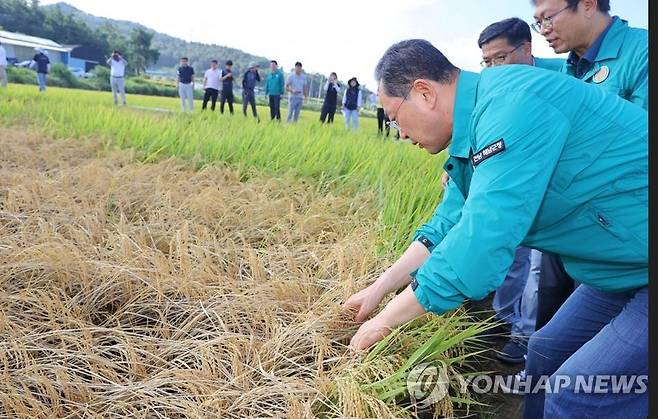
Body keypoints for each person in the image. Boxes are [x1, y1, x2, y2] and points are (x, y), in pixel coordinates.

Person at [345, 39, 646, 419]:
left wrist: (386, 321)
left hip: (642, 257)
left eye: (395, 118)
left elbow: (481, 241)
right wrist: (376, 292)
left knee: (577, 395)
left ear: (424, 93)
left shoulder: (511, 108)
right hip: (622, 265)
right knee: (544, 351)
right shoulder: (474, 130)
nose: (399, 133)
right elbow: (445, 225)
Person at [530, 0, 648, 334]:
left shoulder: (641, 52)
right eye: (537, 22)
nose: (544, 30)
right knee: (549, 315)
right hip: (576, 217)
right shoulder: (572, 69)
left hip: (625, 234)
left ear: (587, 4)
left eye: (548, 18)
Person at [473, 17, 565, 366]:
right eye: (487, 61)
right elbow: (477, 127)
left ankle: (525, 334)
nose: (494, 68)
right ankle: (501, 319)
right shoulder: (491, 85)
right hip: (515, 184)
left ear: (526, 49)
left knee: (540, 267)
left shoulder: (561, 75)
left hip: (554, 189)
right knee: (512, 254)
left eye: (500, 58)